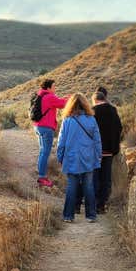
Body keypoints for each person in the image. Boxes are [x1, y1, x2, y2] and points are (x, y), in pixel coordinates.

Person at [57, 93, 102, 222]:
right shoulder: (91, 119)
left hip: (71, 158)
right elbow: (97, 140)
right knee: (88, 186)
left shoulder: (67, 120)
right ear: (85, 104)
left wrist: (60, 157)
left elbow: (61, 142)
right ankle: (91, 215)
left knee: (72, 186)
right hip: (88, 157)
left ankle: (68, 216)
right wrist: (98, 155)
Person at [92, 89, 122, 213]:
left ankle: (94, 203)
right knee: (106, 178)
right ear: (104, 99)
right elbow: (119, 128)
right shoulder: (113, 110)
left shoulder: (92, 111)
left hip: (95, 151)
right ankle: (102, 205)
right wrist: (115, 146)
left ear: (94, 100)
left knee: (95, 178)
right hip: (109, 151)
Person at [32, 79, 67, 186]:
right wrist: (70, 98)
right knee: (45, 152)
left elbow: (58, 102)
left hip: (38, 126)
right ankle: (42, 177)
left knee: (43, 151)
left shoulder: (40, 96)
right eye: (54, 87)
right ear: (48, 88)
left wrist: (64, 98)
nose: (55, 89)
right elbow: (62, 104)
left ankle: (40, 173)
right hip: (46, 128)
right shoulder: (50, 97)